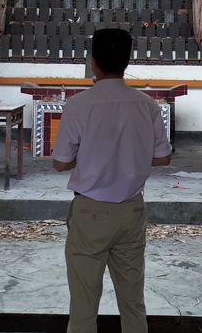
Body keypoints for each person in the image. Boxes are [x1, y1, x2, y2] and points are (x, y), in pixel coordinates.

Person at [53, 28, 172, 333]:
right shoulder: (147, 105)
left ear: (94, 62)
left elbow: (60, 162)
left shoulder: (79, 105)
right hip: (131, 210)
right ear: (127, 61)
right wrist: (130, 155)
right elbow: (163, 158)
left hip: (90, 212)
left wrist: (93, 157)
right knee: (133, 304)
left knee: (82, 308)